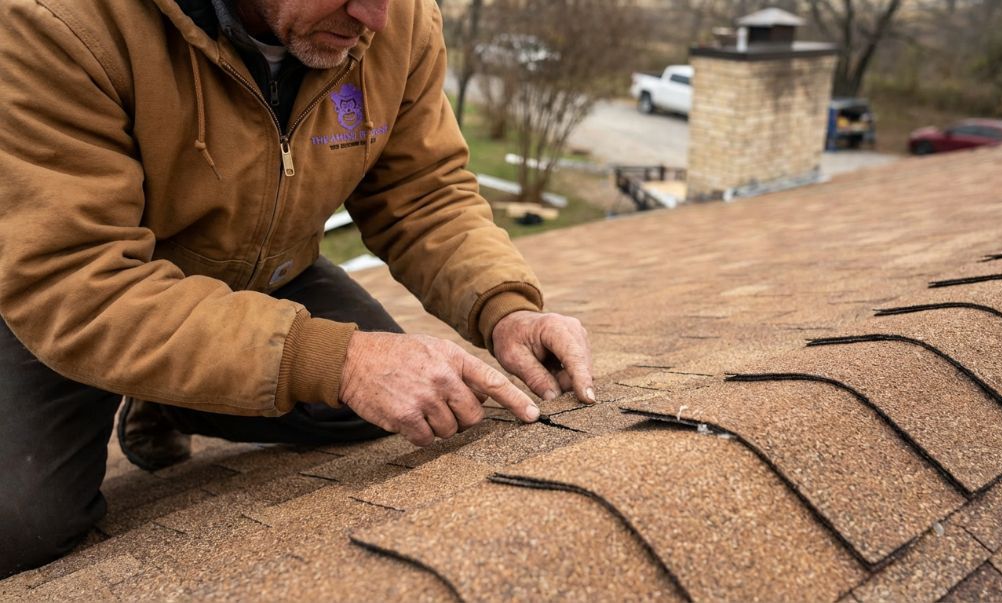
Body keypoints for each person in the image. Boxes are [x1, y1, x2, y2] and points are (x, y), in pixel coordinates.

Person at [0, 0, 594, 577]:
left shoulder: (397, 18)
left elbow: (423, 192)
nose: (377, 19)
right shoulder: (59, 22)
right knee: (21, 522)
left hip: (257, 275)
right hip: (74, 293)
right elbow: (75, 275)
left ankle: (168, 392)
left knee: (388, 408)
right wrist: (334, 359)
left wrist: (505, 307)